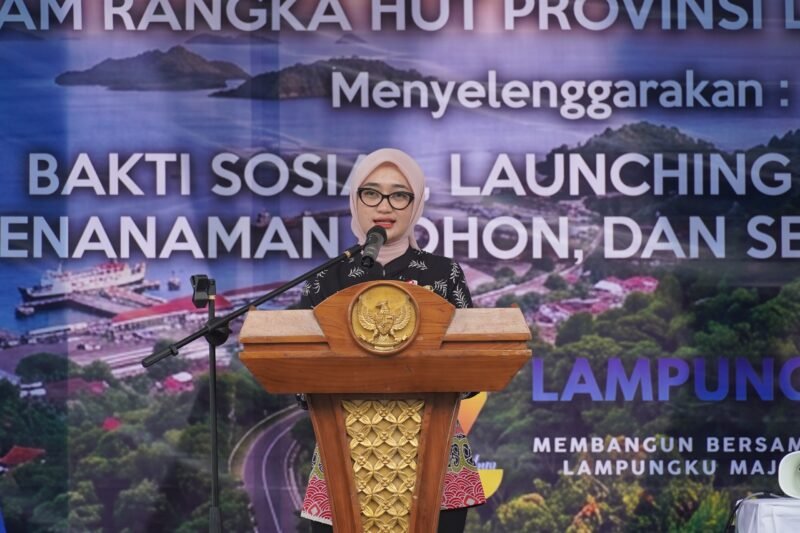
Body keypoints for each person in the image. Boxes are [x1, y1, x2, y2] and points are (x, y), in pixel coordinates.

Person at [297, 148, 486, 532]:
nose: (384, 206)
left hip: (436, 458)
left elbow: (472, 372)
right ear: (355, 200)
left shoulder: (443, 274)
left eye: (399, 194)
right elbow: (301, 380)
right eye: (371, 193)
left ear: (415, 203)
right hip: (343, 455)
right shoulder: (326, 279)